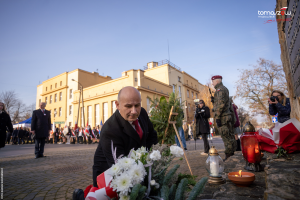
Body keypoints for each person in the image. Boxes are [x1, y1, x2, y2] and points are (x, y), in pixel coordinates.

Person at [92, 86, 158, 187]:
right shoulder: (110, 130)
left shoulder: (143, 113)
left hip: (136, 167)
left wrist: (150, 159)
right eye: (128, 106)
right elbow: (119, 166)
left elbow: (152, 136)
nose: (134, 111)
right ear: (118, 105)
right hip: (109, 176)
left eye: (137, 105)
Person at [211, 75, 236, 161]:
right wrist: (214, 100)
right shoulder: (224, 88)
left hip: (223, 117)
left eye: (213, 82)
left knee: (226, 137)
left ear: (217, 81)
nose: (212, 83)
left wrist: (217, 116)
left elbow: (221, 104)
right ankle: (232, 153)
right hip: (227, 116)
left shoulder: (219, 89)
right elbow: (223, 102)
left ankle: (229, 156)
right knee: (230, 136)